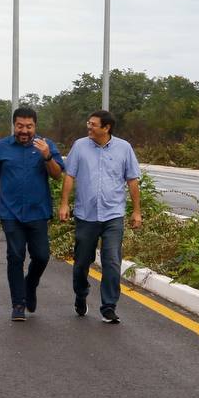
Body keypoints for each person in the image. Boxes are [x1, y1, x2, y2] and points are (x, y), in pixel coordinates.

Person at [58, 109, 142, 324]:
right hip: (86, 215)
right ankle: (81, 294)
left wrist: (136, 211)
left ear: (106, 128)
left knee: (112, 261)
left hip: (113, 214)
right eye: (88, 123)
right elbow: (70, 176)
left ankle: (108, 307)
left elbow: (132, 180)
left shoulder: (124, 148)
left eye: (93, 124)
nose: (89, 127)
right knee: (81, 263)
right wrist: (65, 204)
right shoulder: (80, 146)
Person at [0, 107, 64, 321]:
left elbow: (58, 175)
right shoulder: (1, 147)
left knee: (41, 256)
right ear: (14, 125)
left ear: (35, 126)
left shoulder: (46, 146)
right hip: (11, 213)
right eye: (20, 126)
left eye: (29, 126)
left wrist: (47, 156)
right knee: (15, 256)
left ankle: (30, 284)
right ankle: (18, 304)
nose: (24, 130)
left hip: (38, 212)